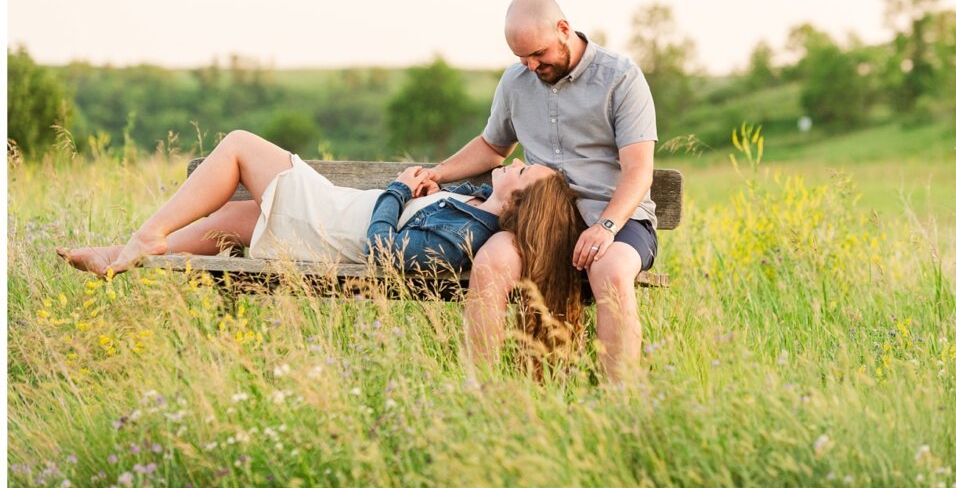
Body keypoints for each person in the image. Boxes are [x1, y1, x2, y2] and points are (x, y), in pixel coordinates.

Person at [57, 131, 585, 336]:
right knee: (237, 223)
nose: (518, 164)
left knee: (240, 145)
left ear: (516, 202)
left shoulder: (469, 235)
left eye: (522, 173)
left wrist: (399, 192)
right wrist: (427, 190)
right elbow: (427, 219)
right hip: (333, 220)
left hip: (333, 226)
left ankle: (147, 235)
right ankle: (123, 254)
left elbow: (385, 252)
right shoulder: (474, 204)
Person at [425, 0, 659, 381]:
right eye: (522, 58)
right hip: (542, 218)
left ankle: (622, 403)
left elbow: (638, 171)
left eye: (537, 54)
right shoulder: (516, 82)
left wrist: (605, 227)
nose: (531, 66)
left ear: (563, 30)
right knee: (491, 262)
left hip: (616, 217)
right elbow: (492, 146)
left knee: (613, 271)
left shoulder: (620, 76)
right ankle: (478, 392)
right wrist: (438, 173)